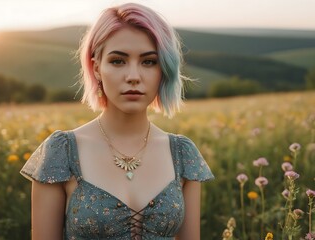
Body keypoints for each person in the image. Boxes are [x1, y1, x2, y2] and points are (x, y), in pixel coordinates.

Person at [20, 2, 214, 240]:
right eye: (118, 61)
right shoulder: (62, 151)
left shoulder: (183, 154)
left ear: (164, 69)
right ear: (97, 68)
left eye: (149, 61)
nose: (133, 77)